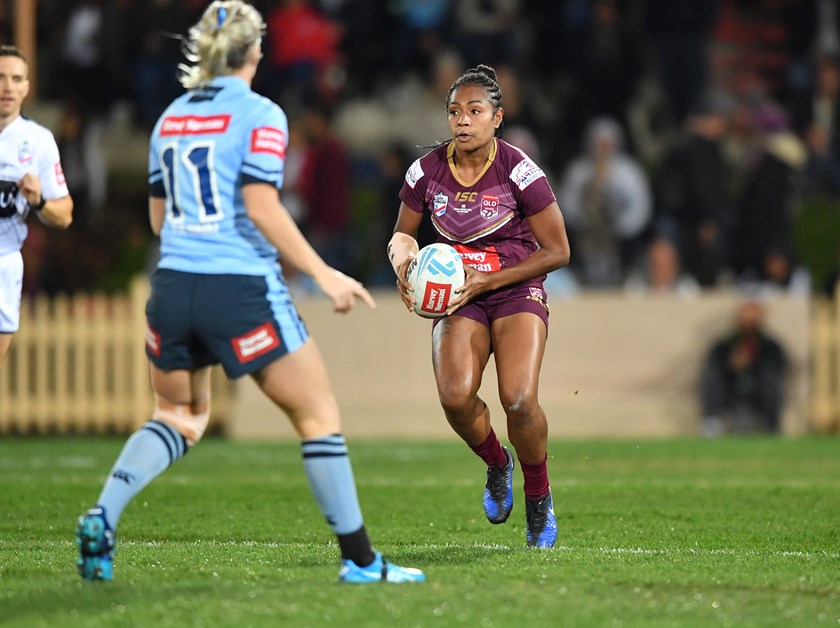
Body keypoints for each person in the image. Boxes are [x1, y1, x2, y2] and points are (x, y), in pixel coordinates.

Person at [75, 1, 424, 585]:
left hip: (171, 286)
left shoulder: (168, 118)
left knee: (179, 416)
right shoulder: (262, 114)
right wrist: (324, 273)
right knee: (317, 414)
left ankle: (102, 515)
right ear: (257, 51)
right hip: (237, 287)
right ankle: (362, 562)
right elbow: (262, 206)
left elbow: (161, 222)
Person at [388, 64, 571, 548]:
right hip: (457, 294)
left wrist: (487, 279)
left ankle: (539, 497)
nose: (463, 121)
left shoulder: (519, 170)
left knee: (518, 399)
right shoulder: (425, 171)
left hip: (513, 289)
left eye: (475, 111)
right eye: (454, 112)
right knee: (454, 398)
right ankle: (497, 462)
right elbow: (403, 234)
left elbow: (557, 251)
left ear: (497, 118)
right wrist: (403, 267)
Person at [0, 45, 73, 366]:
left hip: (4, 263)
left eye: (16, 79)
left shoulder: (38, 140)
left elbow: (65, 214)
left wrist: (39, 200)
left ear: (27, 87)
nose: (8, 87)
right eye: (1, 78)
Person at [700, 299, 788, 437]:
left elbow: (781, 365)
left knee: (771, 377)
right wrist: (731, 365)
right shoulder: (725, 344)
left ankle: (773, 426)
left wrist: (752, 364)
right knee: (712, 375)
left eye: (753, 318)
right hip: (731, 391)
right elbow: (714, 361)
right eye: (745, 318)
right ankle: (712, 423)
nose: (748, 322)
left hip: (758, 391)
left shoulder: (770, 345)